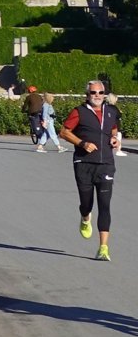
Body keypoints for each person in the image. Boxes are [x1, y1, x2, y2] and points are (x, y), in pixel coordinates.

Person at [58, 81, 121, 261]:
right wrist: (82, 143)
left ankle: (103, 248)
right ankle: (85, 217)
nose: (98, 95)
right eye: (94, 92)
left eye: (101, 92)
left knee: (105, 205)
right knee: (87, 203)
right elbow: (64, 132)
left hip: (106, 164)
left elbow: (114, 128)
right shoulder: (79, 112)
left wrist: (115, 139)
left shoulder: (111, 112)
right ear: (87, 94)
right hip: (84, 163)